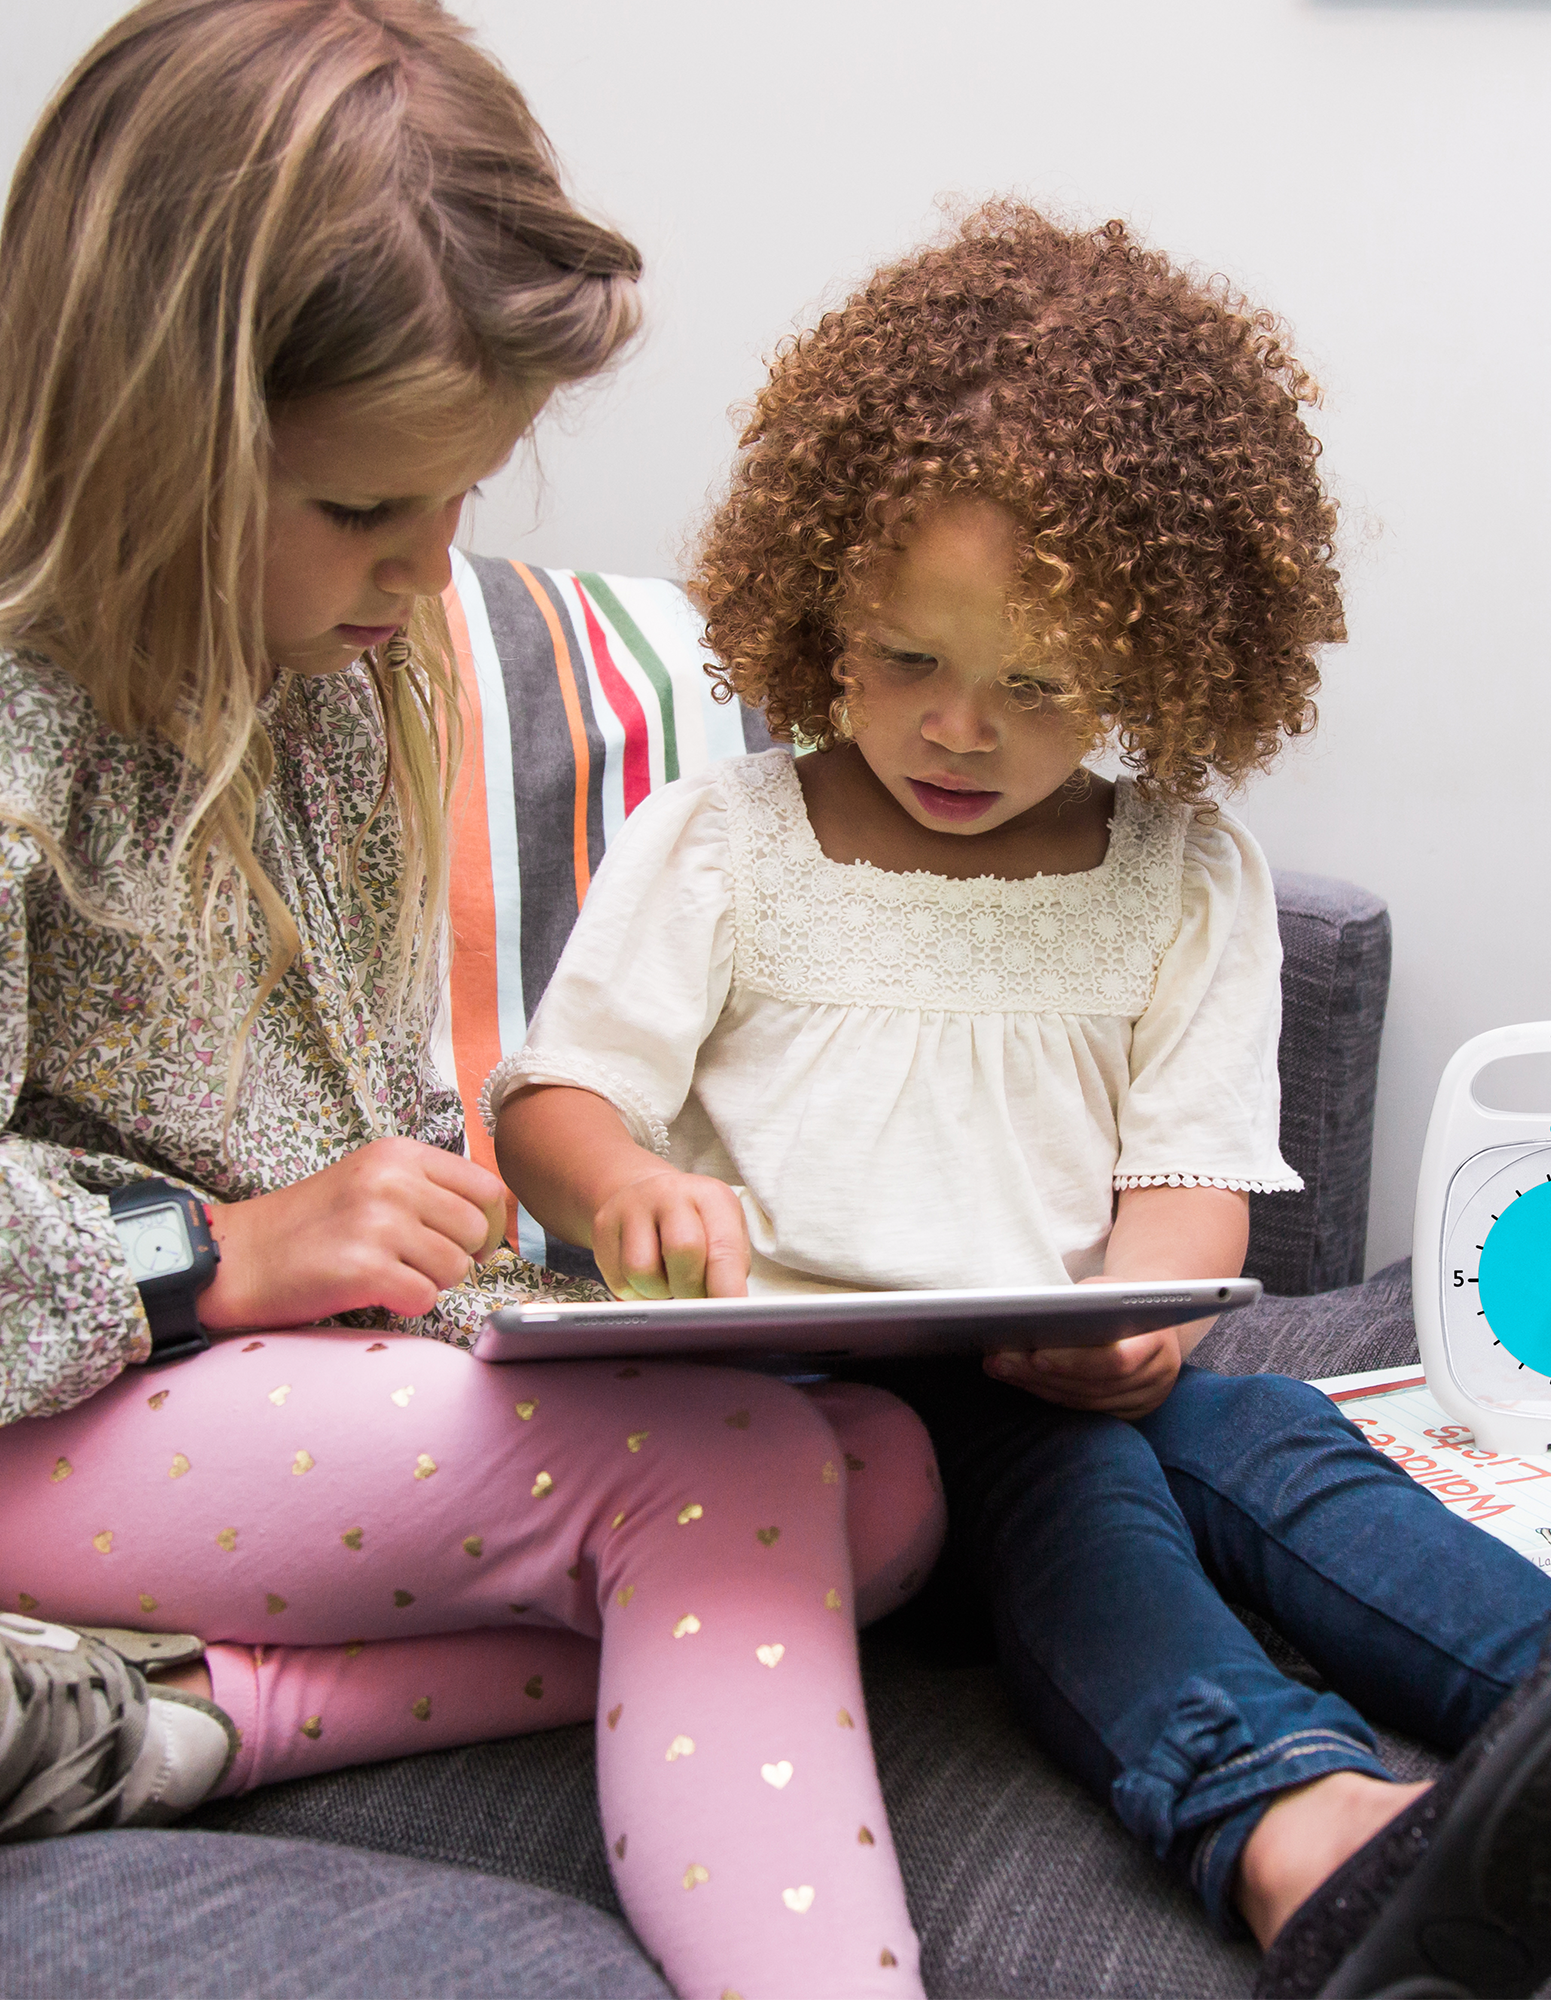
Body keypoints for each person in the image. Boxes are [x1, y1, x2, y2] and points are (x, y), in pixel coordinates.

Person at [492, 202, 1551, 1999]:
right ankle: (1310, 1837)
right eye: (905, 659)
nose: (958, 729)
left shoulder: (1184, 873)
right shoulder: (731, 843)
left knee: (1261, 1437)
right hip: (790, 1429)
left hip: (1051, 1379)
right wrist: (617, 1192)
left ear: (1160, 658)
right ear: (822, 604)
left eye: (1036, 684)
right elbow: (554, 1102)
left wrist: (1140, 1328)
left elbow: (1194, 1204)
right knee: (1078, 1492)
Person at [0, 7, 942, 1996]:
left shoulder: (327, 672)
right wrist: (211, 1255)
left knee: (885, 1472)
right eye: (365, 510)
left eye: (459, 499)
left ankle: (207, 1711)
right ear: (146, 430)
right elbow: (231, 1224)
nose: (432, 570)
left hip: (232, 1412)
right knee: (724, 1473)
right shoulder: (20, 714)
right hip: (59, 1403)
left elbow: (362, 1118)